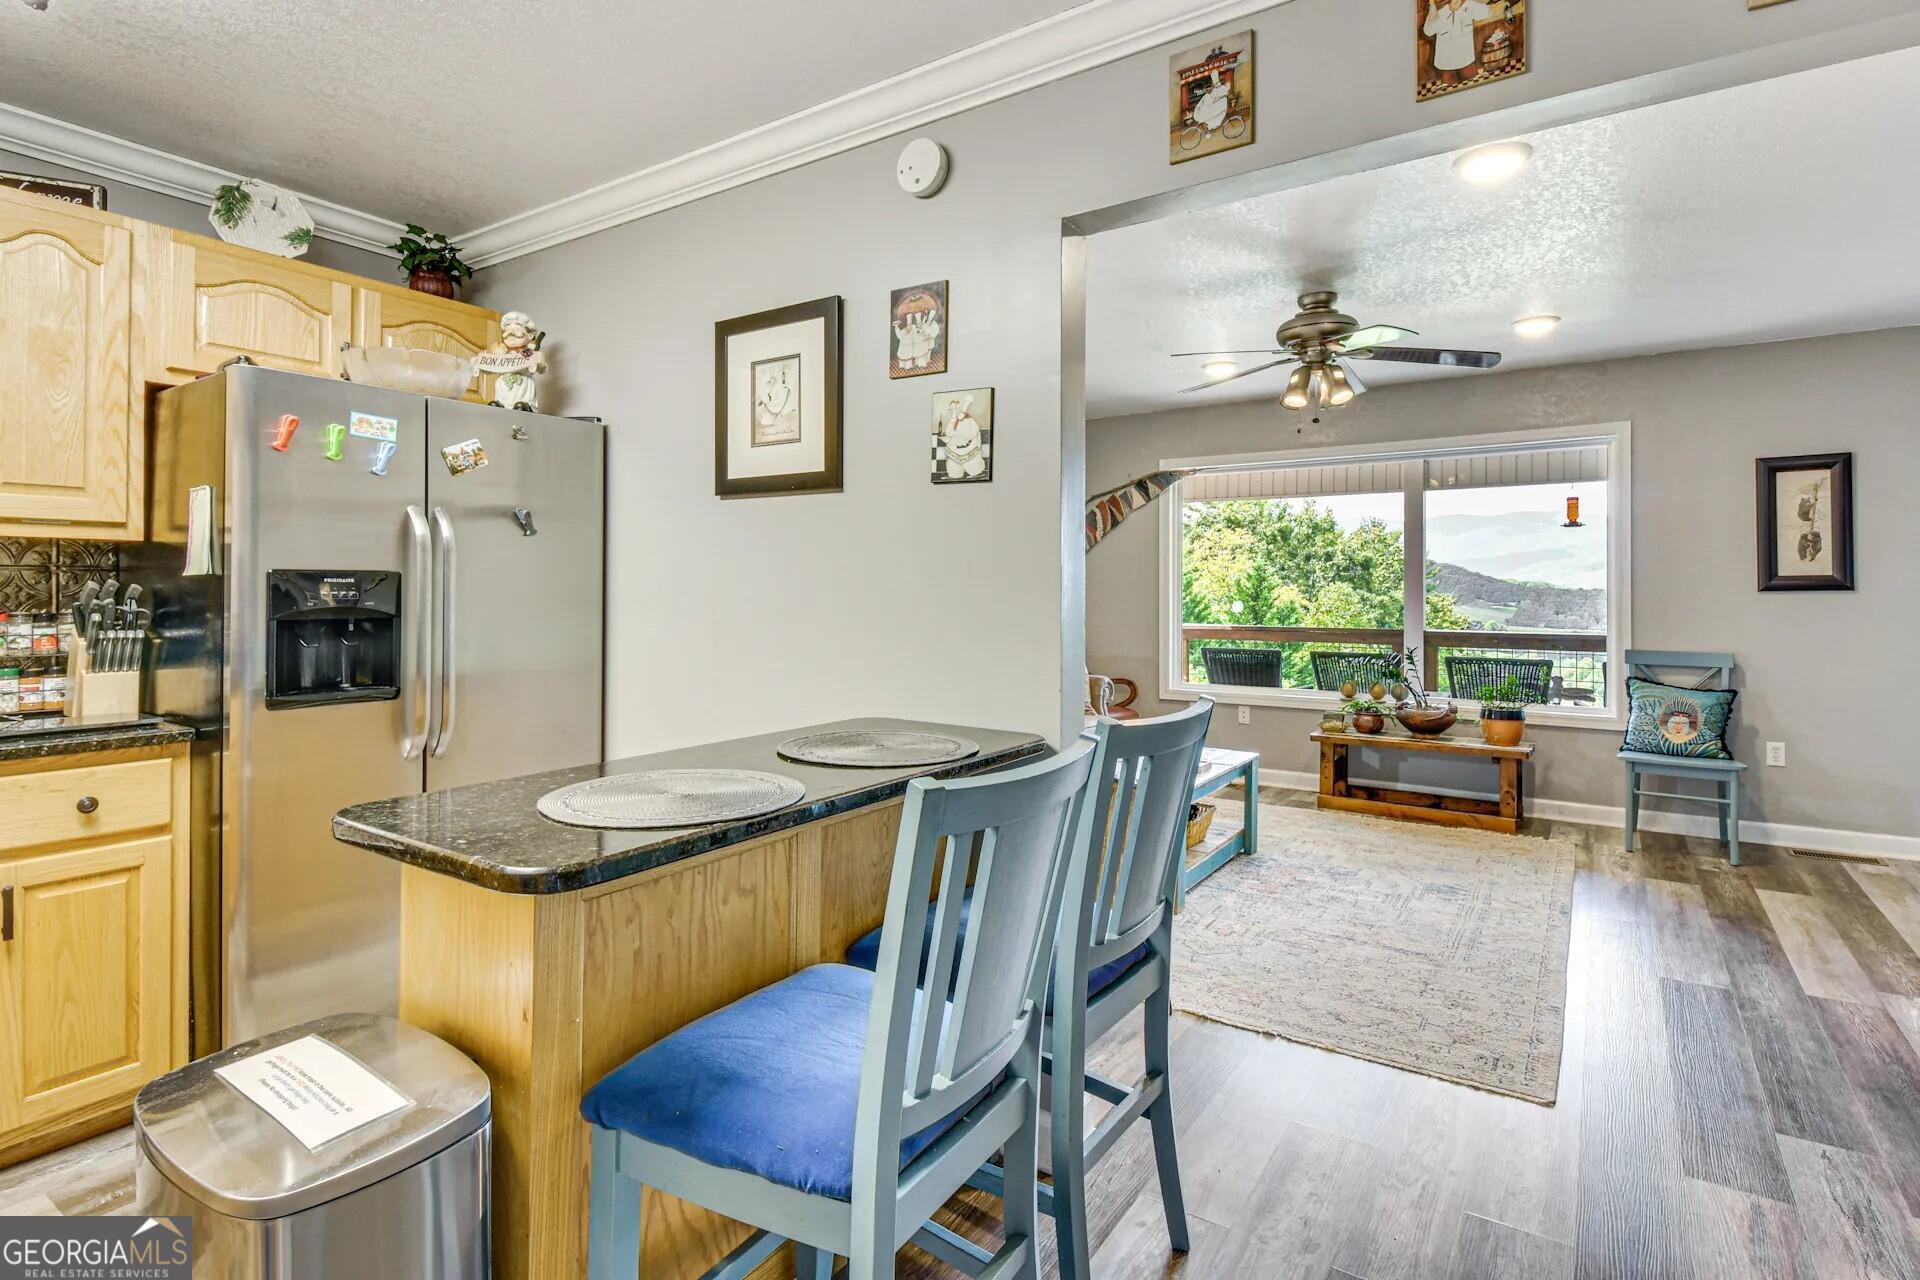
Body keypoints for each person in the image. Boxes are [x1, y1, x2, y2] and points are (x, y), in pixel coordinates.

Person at [1424, 0, 1493, 87]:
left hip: (1467, 61)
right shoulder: (1440, 12)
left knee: (1473, 86)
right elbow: (1428, 31)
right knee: (1449, 90)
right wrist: (1432, 6)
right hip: (1446, 66)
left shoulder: (1469, 6)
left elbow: (1488, 12)